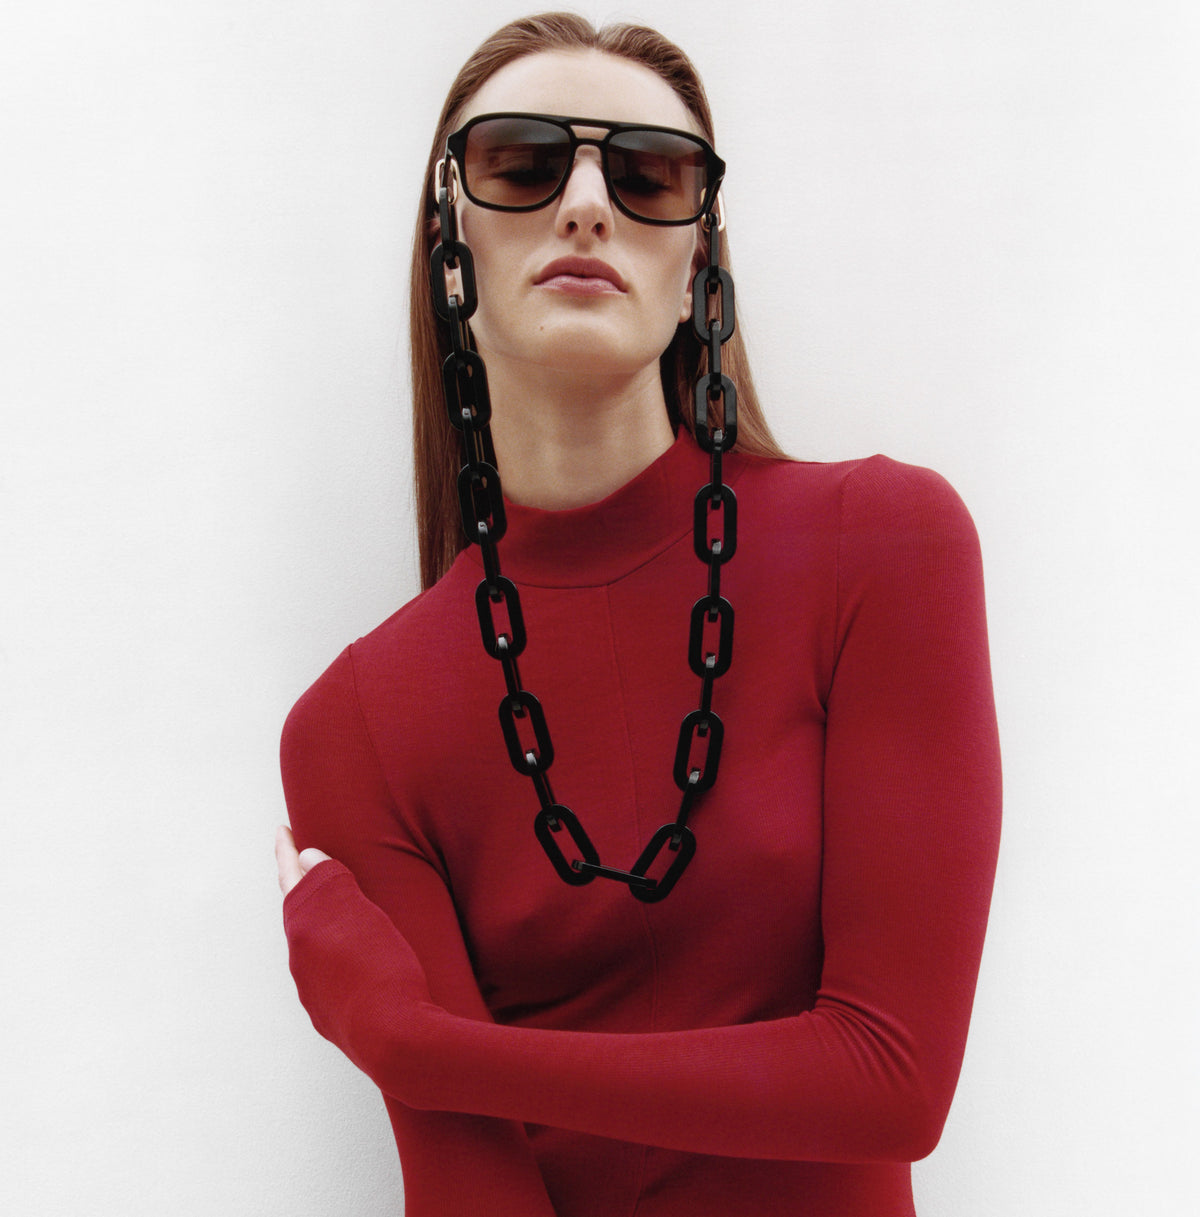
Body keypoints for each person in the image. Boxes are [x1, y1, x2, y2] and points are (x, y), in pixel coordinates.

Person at [274, 12, 1001, 1217]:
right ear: (449, 239)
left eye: (648, 176)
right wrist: (431, 1062)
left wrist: (419, 1045)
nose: (585, 205)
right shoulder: (353, 726)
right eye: (522, 162)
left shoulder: (882, 546)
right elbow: (472, 1194)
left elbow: (892, 1079)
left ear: (700, 255)